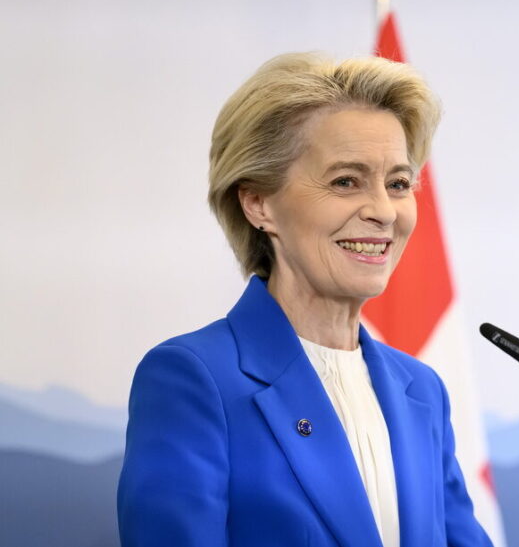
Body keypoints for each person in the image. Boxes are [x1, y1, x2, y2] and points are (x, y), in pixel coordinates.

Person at [117, 52, 493, 547]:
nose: (383, 211)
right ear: (258, 203)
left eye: (398, 183)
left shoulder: (420, 388)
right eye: (345, 181)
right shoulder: (193, 379)